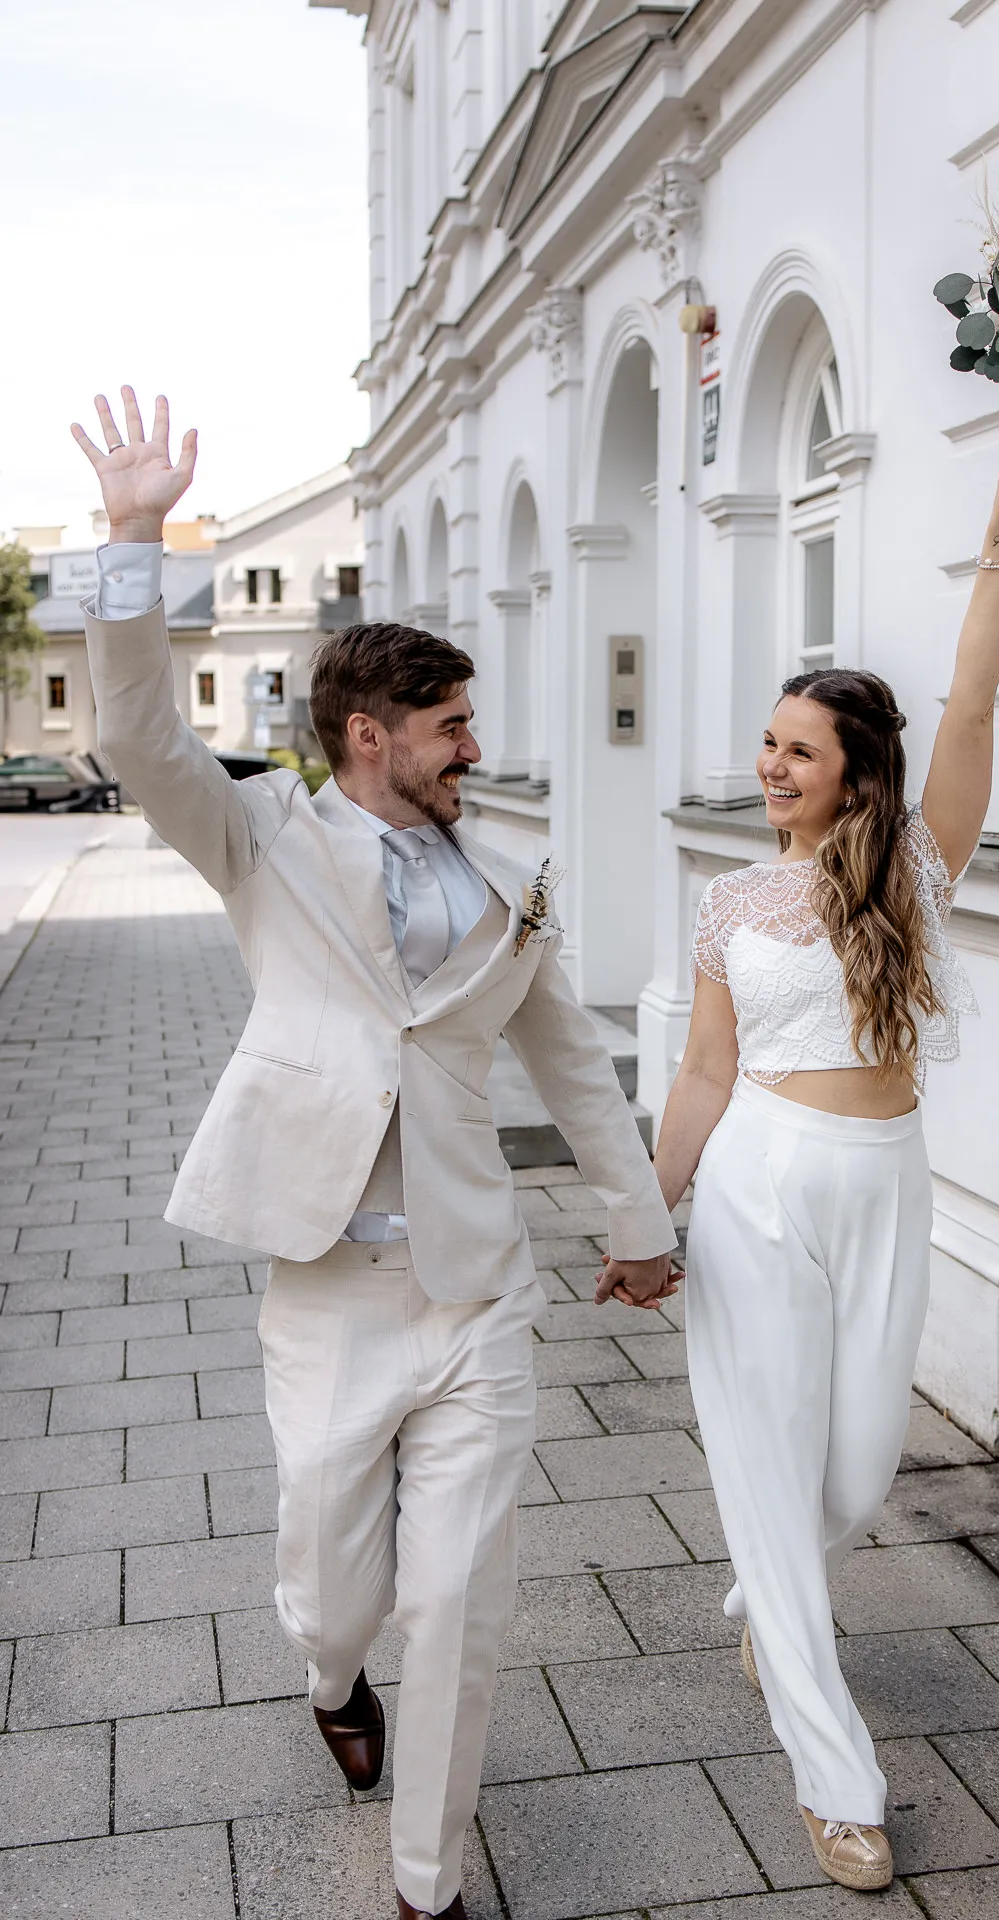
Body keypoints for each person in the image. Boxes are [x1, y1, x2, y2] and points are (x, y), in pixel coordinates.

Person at [71, 389, 677, 1920]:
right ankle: (332, 1672)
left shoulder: (515, 879)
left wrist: (639, 1217)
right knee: (335, 1584)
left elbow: (572, 1065)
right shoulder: (266, 839)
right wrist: (136, 541)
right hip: (329, 1281)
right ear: (370, 736)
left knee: (462, 1602)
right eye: (453, 725)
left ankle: (427, 1883)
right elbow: (136, 735)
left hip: (478, 1291)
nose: (477, 746)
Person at [598, 408, 999, 1892]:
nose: (769, 764)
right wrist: (646, 1215)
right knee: (759, 1461)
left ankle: (771, 1588)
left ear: (858, 770)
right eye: (766, 743)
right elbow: (700, 1073)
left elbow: (977, 711)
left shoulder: (915, 873)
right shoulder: (730, 904)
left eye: (798, 748)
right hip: (754, 1187)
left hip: (885, 1180)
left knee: (855, 1470)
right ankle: (837, 1780)